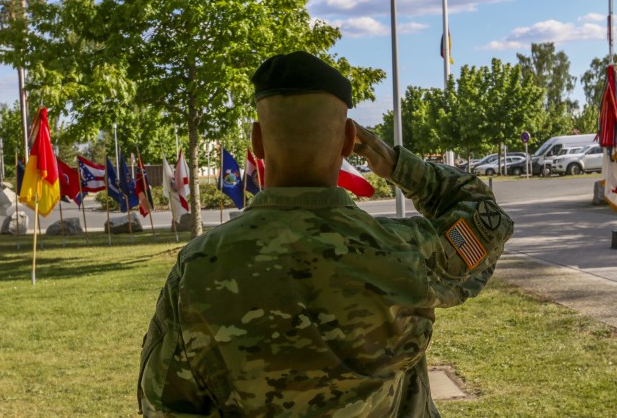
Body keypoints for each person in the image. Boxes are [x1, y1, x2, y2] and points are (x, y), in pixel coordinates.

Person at [138, 51, 513, 417]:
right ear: (350, 141)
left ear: (256, 141)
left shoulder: (198, 268)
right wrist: (394, 162)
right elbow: (485, 218)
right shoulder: (406, 253)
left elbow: (163, 402)